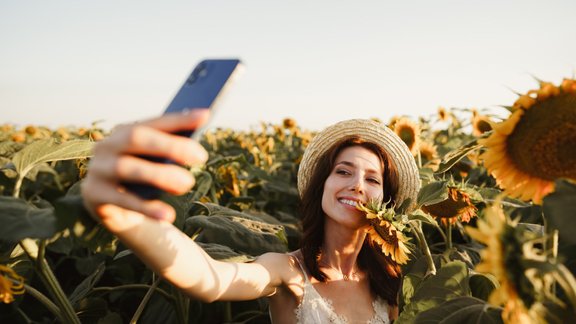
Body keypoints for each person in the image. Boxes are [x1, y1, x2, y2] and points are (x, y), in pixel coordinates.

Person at [81, 110, 420, 323]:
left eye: (372, 179)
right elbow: (207, 277)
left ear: (386, 202)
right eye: (343, 172)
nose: (357, 186)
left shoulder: (388, 283)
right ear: (322, 186)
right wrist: (128, 215)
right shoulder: (288, 272)